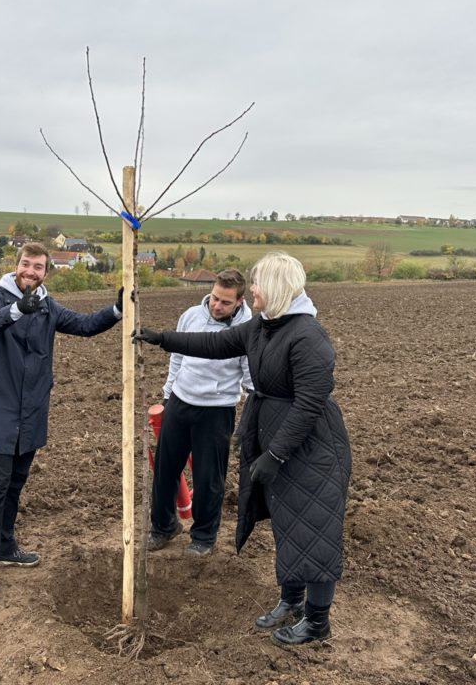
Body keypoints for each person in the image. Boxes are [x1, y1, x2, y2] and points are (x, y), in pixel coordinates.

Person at [134, 252, 351, 646]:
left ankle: (318, 622)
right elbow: (214, 344)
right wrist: (161, 338)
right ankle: (291, 602)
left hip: (311, 446)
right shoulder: (262, 327)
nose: (252, 290)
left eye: (258, 283)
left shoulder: (307, 337)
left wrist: (277, 454)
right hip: (277, 436)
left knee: (313, 527)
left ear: (277, 289)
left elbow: (310, 404)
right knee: (289, 524)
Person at [0, 242, 124, 602]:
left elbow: (84, 326)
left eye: (38, 267)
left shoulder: (48, 306)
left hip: (31, 416)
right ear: (16, 266)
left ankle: (6, 546)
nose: (31, 272)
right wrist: (15, 311)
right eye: (26, 264)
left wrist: (117, 309)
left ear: (45, 273)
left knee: (14, 487)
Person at [148, 269, 254, 557]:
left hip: (216, 411)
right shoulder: (191, 315)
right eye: (215, 298)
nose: (216, 306)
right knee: (166, 469)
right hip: (180, 402)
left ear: (240, 301)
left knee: (209, 478)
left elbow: (249, 377)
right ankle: (163, 527)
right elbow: (178, 358)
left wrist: (252, 417)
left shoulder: (248, 328)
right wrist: (169, 396)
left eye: (225, 303)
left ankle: (204, 536)